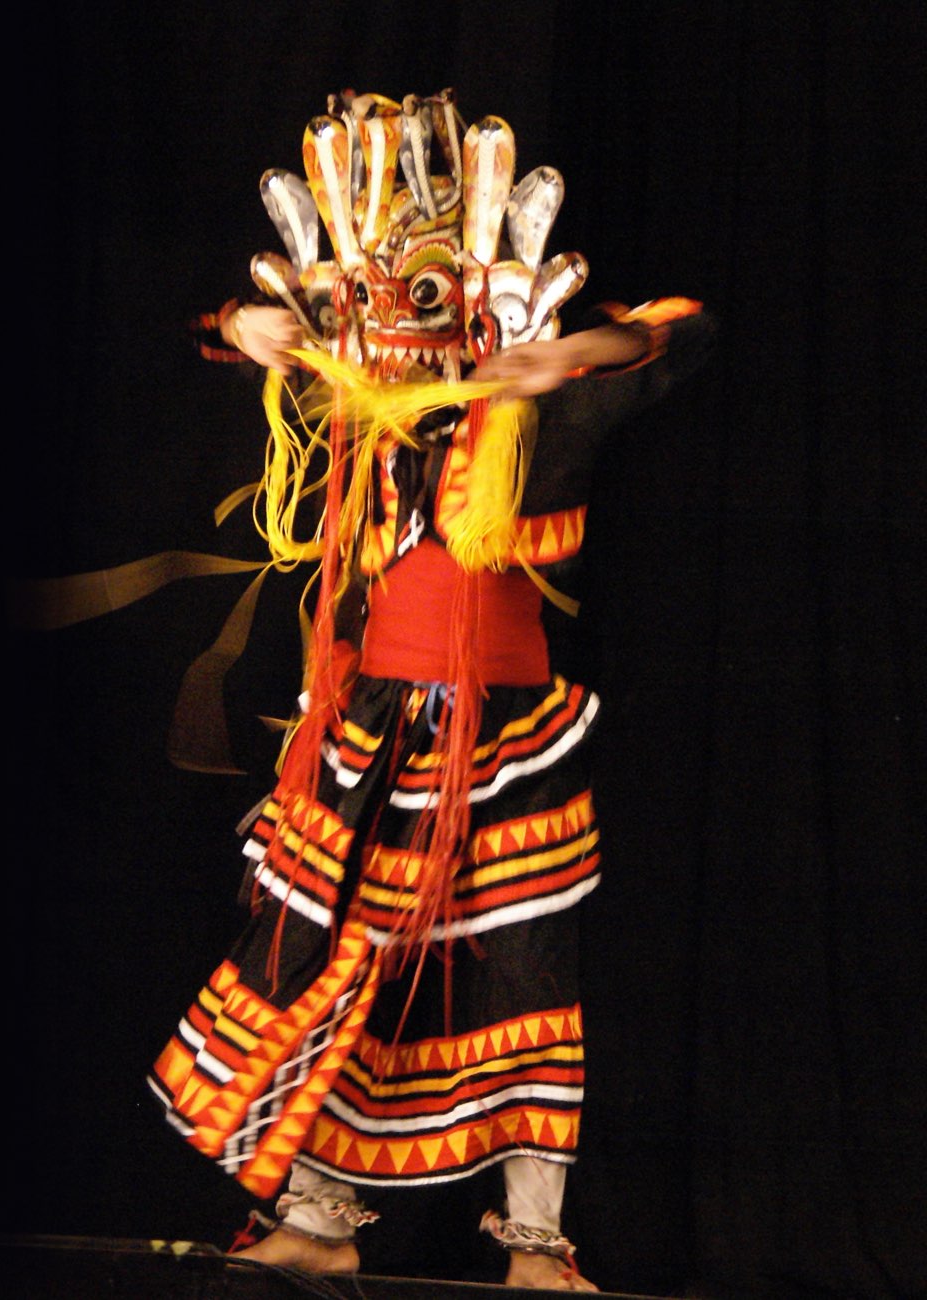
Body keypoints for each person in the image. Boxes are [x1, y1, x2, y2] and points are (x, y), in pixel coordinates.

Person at [147, 89, 716, 1292]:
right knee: (340, 959)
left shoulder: (529, 410)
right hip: (365, 735)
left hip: (503, 740)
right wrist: (249, 322)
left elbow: (684, 327)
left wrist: (575, 350)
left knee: (519, 966)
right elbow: (219, 324)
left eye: (422, 294)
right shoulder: (356, 409)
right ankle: (320, 1213)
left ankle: (536, 1245)